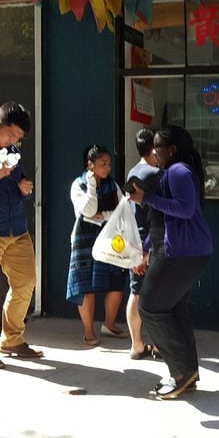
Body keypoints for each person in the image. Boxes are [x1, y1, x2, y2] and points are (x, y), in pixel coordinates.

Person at [128, 125, 212, 400]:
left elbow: (184, 209)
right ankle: (188, 374)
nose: (154, 152)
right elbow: (166, 220)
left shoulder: (178, 172)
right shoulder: (175, 172)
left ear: (172, 150)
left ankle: (180, 373)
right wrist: (147, 248)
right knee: (176, 311)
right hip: (186, 251)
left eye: (158, 147)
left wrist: (146, 198)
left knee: (149, 307)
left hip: (181, 254)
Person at [66, 144, 127, 344]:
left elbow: (124, 210)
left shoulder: (112, 186)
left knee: (116, 281)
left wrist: (106, 215)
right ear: (90, 165)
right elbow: (89, 211)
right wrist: (92, 186)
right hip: (85, 239)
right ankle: (88, 331)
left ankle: (109, 324)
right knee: (86, 285)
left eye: (109, 163)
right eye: (103, 164)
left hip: (110, 238)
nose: (108, 168)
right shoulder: (78, 185)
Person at [0, 102, 43, 361]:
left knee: (26, 283)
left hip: (17, 229)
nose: (13, 141)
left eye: (18, 138)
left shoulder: (14, 153)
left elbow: (19, 185)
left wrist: (25, 189)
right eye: (11, 134)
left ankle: (11, 340)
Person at [125, 128, 159, 359]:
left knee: (135, 293)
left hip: (133, 241)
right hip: (150, 242)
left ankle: (136, 345)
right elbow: (156, 214)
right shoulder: (155, 175)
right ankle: (158, 345)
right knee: (158, 296)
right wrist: (147, 249)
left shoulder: (132, 172)